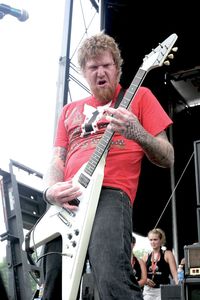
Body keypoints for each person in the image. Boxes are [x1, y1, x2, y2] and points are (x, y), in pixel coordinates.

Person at [41, 33, 174, 300]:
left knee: (111, 276)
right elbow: (57, 158)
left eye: (106, 65)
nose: (100, 72)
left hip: (110, 192)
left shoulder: (140, 96)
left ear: (117, 67)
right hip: (66, 201)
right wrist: (50, 191)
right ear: (84, 72)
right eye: (93, 67)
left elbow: (168, 156)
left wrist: (136, 132)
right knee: (53, 283)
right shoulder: (69, 110)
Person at [142, 228, 178, 300]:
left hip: (162, 290)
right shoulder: (146, 256)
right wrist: (145, 280)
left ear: (161, 240)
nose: (153, 242)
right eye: (151, 240)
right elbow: (139, 275)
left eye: (155, 239)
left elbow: (175, 275)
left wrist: (179, 289)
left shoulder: (167, 254)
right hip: (148, 291)